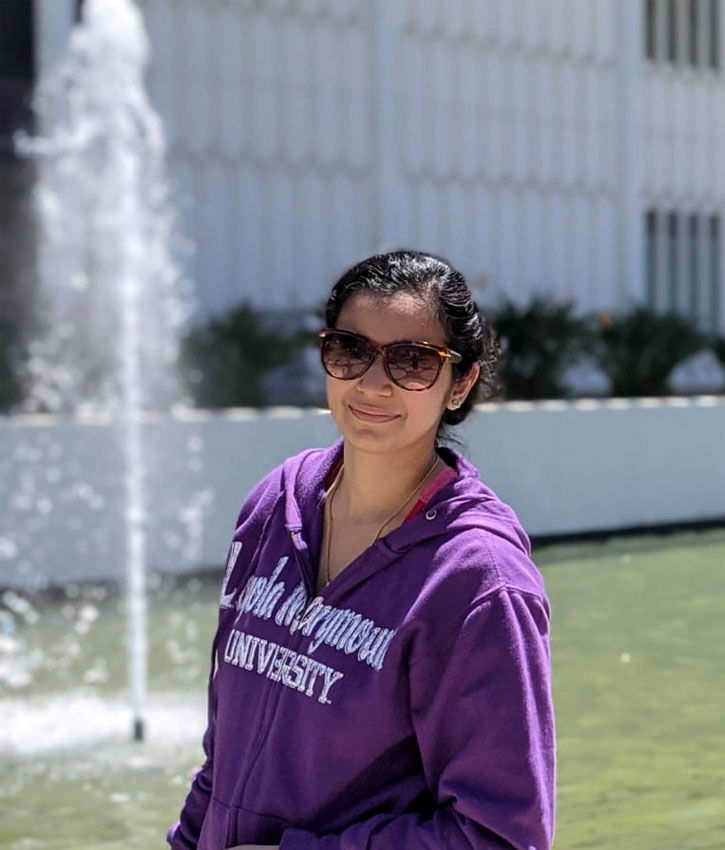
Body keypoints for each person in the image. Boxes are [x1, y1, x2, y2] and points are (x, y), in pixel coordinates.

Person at [167, 250, 556, 850]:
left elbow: (499, 835)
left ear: (462, 384)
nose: (373, 383)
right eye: (351, 349)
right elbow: (226, 751)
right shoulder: (275, 504)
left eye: (413, 360)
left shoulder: (479, 583)